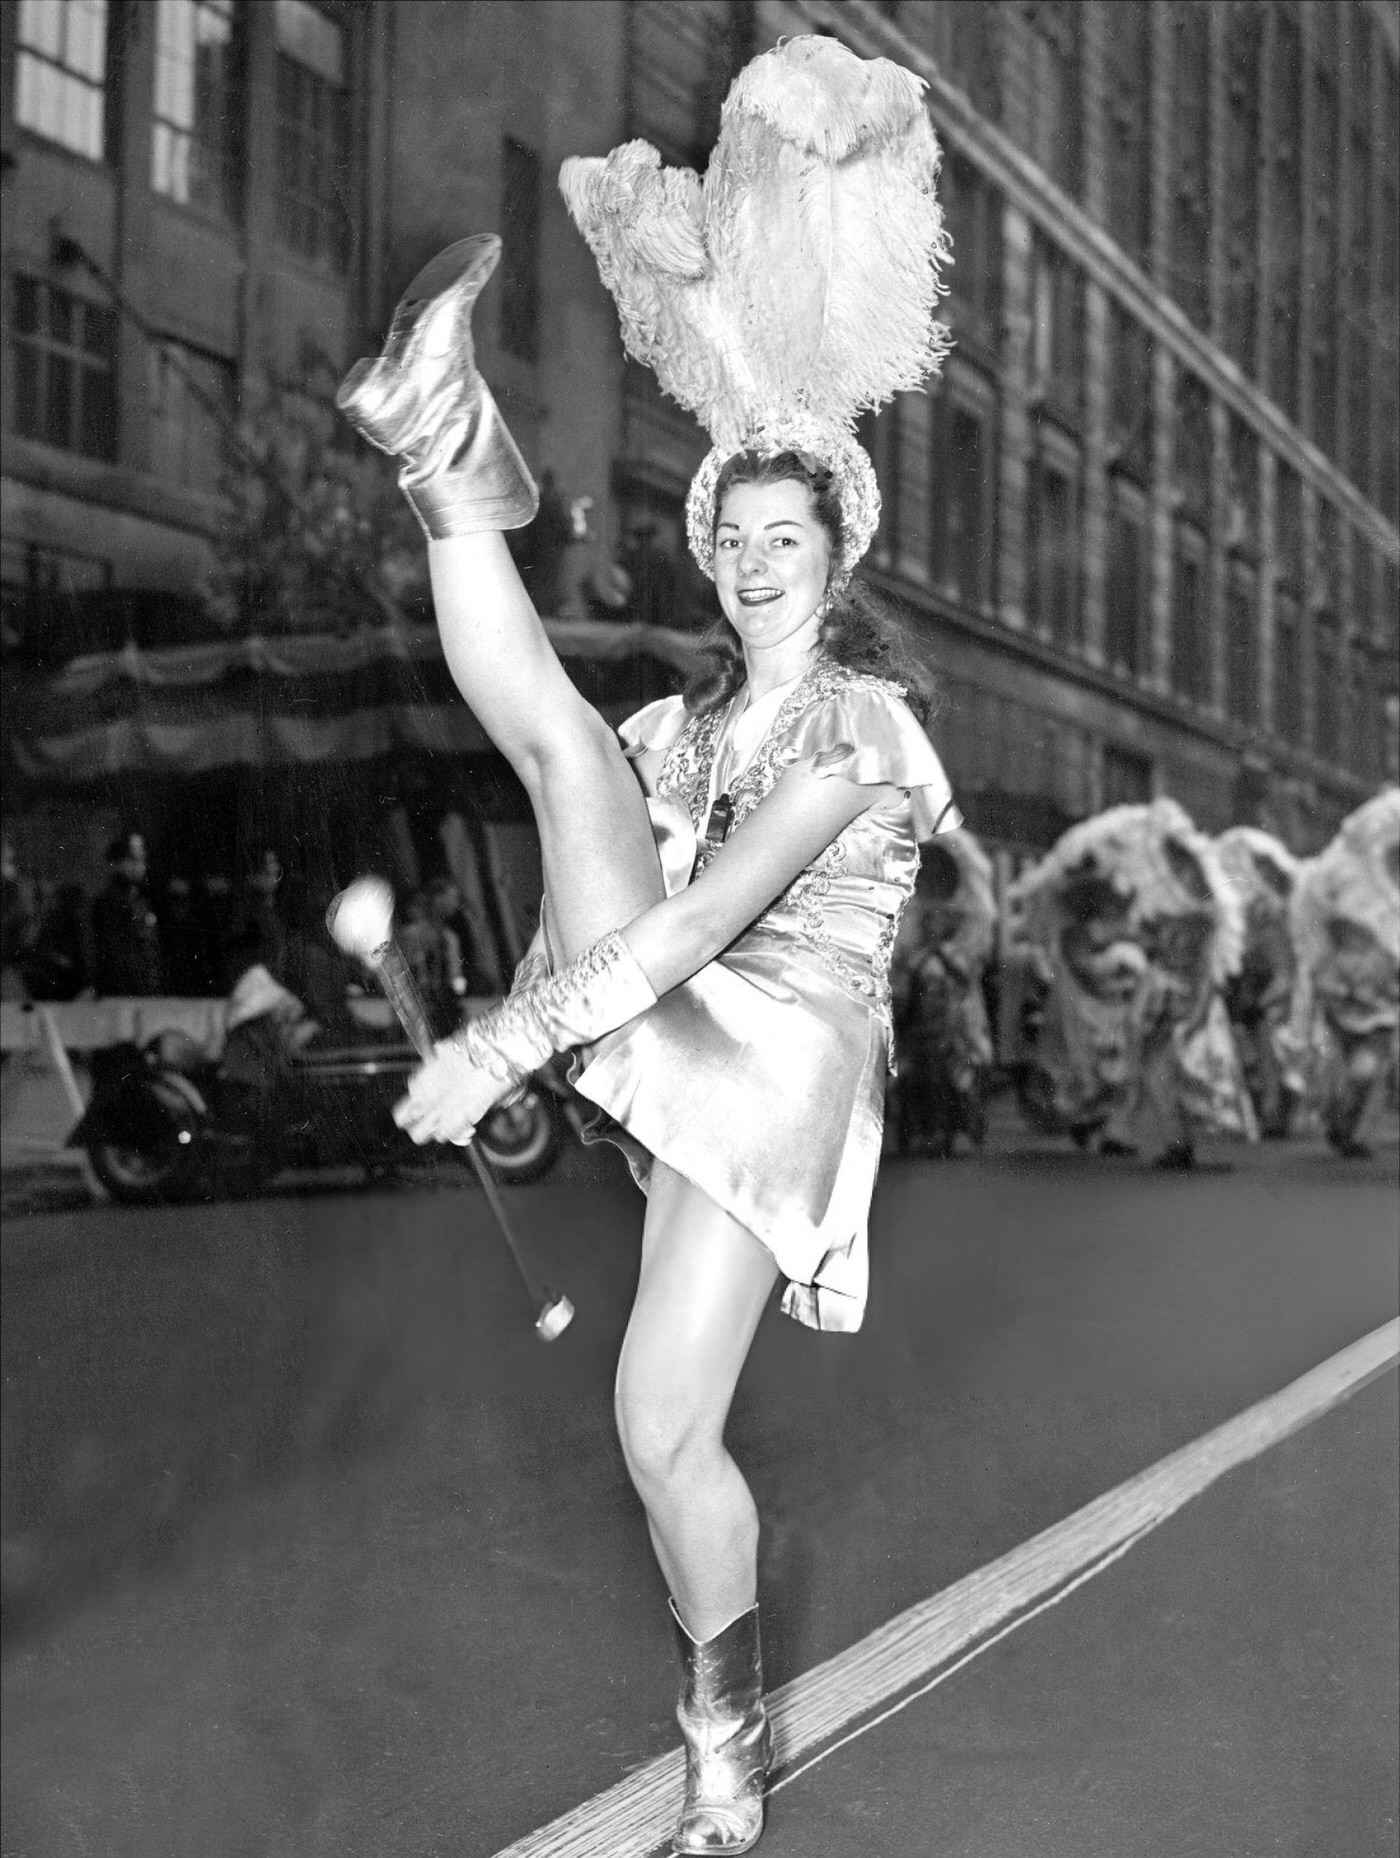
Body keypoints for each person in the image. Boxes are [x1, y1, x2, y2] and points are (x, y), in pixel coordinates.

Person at [337, 36, 956, 1854]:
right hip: (671, 1002)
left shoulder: (866, 732)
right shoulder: (676, 731)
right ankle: (440, 439)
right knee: (558, 740)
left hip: (782, 1060)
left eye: (790, 533)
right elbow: (620, 860)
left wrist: (501, 1044)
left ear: (836, 556)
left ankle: (723, 1738)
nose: (758, 559)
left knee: (660, 1427)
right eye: (735, 532)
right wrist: (535, 1020)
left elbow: (705, 914)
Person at [91, 829, 163, 996]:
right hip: (118, 996)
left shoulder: (145, 902)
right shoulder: (104, 905)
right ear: (114, 863)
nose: (140, 866)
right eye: (132, 860)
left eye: (142, 860)